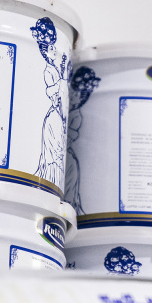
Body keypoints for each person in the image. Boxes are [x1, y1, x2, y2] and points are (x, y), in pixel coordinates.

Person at [32, 17, 68, 187]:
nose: (54, 50)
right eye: (52, 48)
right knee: (54, 155)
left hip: (57, 116)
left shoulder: (53, 68)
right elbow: (53, 92)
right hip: (54, 117)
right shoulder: (48, 70)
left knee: (56, 154)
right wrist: (62, 78)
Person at [64, 66, 101, 214]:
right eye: (74, 93)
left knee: (71, 168)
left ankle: (70, 207)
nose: (74, 98)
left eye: (78, 96)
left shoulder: (77, 116)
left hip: (65, 154)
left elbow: (69, 139)